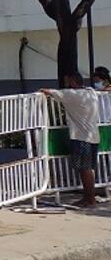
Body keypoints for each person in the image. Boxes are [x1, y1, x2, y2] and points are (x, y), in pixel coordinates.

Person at [42, 74, 101, 208]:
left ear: (73, 82)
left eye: (67, 81)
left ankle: (89, 198)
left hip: (81, 137)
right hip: (93, 135)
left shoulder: (71, 94)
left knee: (84, 169)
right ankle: (89, 197)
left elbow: (47, 91)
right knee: (89, 168)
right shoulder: (90, 92)